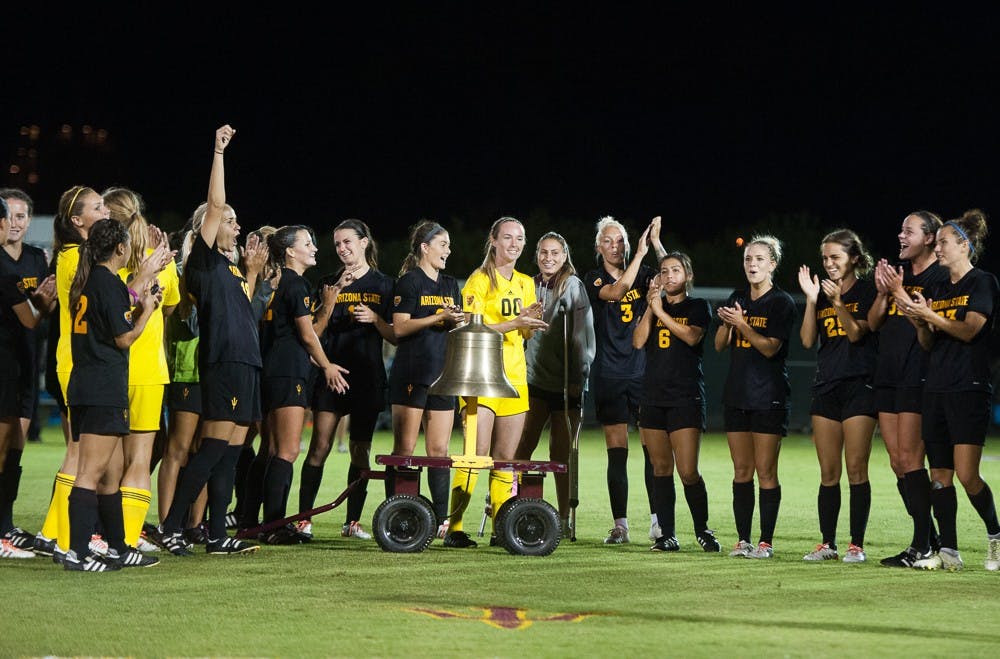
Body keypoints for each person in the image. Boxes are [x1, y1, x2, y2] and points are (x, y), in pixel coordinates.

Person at [155, 125, 266, 556]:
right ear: (209, 226)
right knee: (211, 449)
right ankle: (172, 526)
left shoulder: (232, 268)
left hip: (246, 364)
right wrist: (218, 151)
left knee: (230, 455)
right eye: (230, 221)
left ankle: (217, 535)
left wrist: (253, 274)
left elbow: (245, 314)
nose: (237, 227)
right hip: (222, 363)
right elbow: (216, 202)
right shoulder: (202, 263)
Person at [902, 209, 1000, 572]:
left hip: (969, 388)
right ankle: (950, 552)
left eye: (943, 242)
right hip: (936, 388)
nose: (938, 249)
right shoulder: (937, 287)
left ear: (964, 245)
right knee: (938, 477)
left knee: (966, 474)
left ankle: (995, 536)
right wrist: (919, 322)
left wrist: (931, 317)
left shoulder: (982, 282)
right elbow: (929, 343)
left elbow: (971, 329)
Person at [444, 216, 547, 549]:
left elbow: (525, 332)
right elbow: (473, 331)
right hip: (481, 378)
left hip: (515, 378)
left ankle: (503, 529)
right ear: (493, 240)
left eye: (520, 238)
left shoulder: (525, 282)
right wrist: (515, 321)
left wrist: (531, 321)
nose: (514, 244)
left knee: (506, 457)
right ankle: (455, 527)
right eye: (507, 237)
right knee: (476, 453)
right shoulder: (478, 280)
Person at [64, 218, 162, 570]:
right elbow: (124, 339)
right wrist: (147, 312)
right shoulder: (107, 283)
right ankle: (76, 553)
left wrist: (140, 296)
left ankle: (118, 547)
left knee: (111, 473)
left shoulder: (96, 282)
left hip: (92, 387)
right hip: (101, 388)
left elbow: (113, 320)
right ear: (120, 248)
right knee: (90, 473)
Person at [298, 219, 394, 541]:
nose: (342, 248)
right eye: (337, 244)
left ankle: (352, 522)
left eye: (347, 242)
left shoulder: (384, 284)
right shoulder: (327, 283)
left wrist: (376, 319)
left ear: (364, 242)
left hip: (366, 378)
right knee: (319, 446)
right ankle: (304, 520)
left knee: (360, 451)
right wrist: (329, 301)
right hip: (331, 376)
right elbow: (310, 334)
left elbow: (395, 335)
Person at [867, 211, 949, 567]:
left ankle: (923, 545)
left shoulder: (940, 278)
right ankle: (927, 537)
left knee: (913, 459)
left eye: (909, 231)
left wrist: (899, 290)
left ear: (929, 238)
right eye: (900, 229)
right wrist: (885, 292)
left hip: (920, 375)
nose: (901, 236)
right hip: (889, 374)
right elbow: (872, 323)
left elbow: (933, 331)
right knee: (897, 461)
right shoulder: (897, 276)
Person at [35, 185, 112, 561]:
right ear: (77, 221)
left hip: (72, 361)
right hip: (77, 364)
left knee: (78, 453)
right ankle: (59, 534)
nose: (106, 211)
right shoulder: (78, 256)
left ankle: (54, 533)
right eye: (98, 207)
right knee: (79, 454)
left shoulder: (71, 255)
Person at [257, 225, 348, 544]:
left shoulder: (282, 284)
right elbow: (308, 336)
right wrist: (327, 367)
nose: (315, 248)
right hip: (286, 373)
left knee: (276, 450)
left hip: (277, 370)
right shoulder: (296, 284)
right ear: (291, 252)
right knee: (287, 450)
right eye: (308, 243)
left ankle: (267, 522)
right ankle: (273, 526)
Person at [104, 187, 179, 553]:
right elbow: (168, 310)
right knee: (139, 458)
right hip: (148, 370)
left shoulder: (105, 265)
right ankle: (128, 537)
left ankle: (103, 533)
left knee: (109, 458)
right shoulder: (160, 262)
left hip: (112, 369)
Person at [584, 215, 666, 544]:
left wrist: (657, 245)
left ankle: (658, 522)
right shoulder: (592, 278)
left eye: (620, 240)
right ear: (598, 246)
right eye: (608, 240)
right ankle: (621, 525)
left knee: (652, 451)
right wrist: (641, 256)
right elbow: (617, 292)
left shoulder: (646, 274)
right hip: (610, 373)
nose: (615, 246)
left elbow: (674, 276)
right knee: (617, 452)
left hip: (644, 373)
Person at [797, 229, 877, 563]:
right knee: (828, 472)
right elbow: (806, 340)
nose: (829, 263)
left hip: (860, 384)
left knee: (856, 467)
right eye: (825, 258)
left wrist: (836, 302)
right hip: (826, 386)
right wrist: (812, 300)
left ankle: (855, 545)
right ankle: (827, 543)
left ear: (854, 259)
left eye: (836, 257)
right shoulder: (822, 294)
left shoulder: (869, 290)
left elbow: (857, 333)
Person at [633, 252, 720, 552]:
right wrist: (650, 307)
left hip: (685, 398)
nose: (669, 276)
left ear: (687, 275)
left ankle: (703, 530)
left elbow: (691, 337)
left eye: (676, 270)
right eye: (664, 271)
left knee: (687, 471)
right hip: (653, 397)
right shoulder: (653, 307)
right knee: (660, 468)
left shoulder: (698, 307)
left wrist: (661, 312)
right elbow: (638, 341)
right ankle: (667, 535)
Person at [715, 234, 795, 559]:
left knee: (766, 472)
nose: (752, 264)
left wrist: (743, 324)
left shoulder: (781, 303)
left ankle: (766, 542)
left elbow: (769, 347)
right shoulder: (738, 298)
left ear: (772, 264)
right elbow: (720, 345)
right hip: (737, 395)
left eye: (760, 259)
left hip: (768, 396)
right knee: (741, 471)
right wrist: (726, 323)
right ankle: (743, 539)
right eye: (749, 259)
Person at [514, 232, 595, 534]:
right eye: (544, 253)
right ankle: (517, 508)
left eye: (555, 253)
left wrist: (578, 377)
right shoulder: (526, 285)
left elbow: (582, 337)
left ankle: (562, 518)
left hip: (565, 385)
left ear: (564, 256)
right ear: (536, 255)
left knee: (561, 455)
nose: (549, 258)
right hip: (533, 380)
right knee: (523, 446)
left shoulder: (572, 285)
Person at [388, 221, 464, 536]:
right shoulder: (409, 282)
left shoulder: (448, 284)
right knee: (404, 449)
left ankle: (440, 520)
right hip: (411, 373)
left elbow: (454, 328)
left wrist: (458, 321)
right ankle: (398, 518)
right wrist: (439, 317)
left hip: (442, 376)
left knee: (439, 450)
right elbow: (399, 328)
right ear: (425, 247)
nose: (448, 250)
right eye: (443, 244)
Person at [0, 188, 55, 551]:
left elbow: (45, 311)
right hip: (3, 360)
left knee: (17, 445)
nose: (16, 223)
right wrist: (39, 305)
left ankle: (6, 524)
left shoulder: (37, 258)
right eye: (10, 217)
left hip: (26, 360)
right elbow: (33, 313)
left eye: (22, 216)